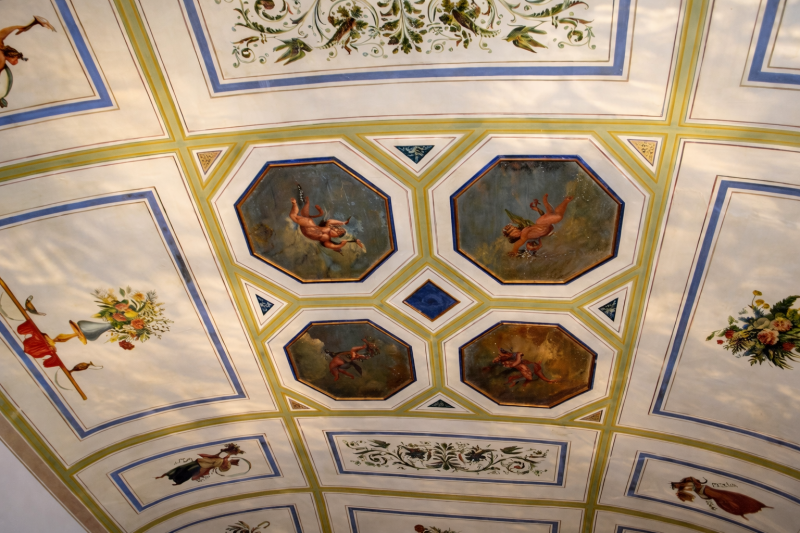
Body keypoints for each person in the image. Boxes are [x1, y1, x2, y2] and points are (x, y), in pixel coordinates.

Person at [0, 16, 56, 107]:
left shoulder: (1, 45)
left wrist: (25, 26)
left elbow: (7, 30)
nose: (16, 62)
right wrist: (26, 26)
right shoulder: (1, 58)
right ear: (11, 55)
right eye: (16, 59)